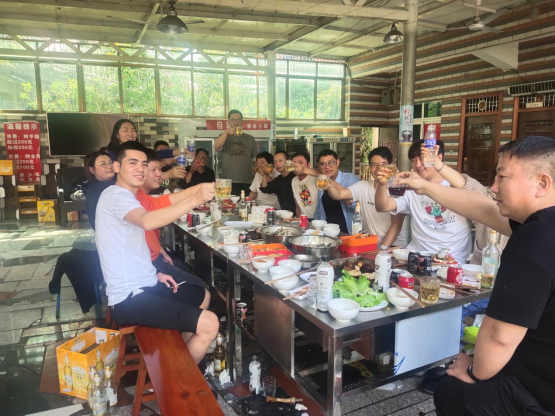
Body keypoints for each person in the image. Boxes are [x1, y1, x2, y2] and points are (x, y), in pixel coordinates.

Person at [395, 136, 555, 416]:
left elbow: (499, 336)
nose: (493, 187)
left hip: (538, 393)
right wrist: (424, 186)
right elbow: (483, 208)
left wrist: (473, 371)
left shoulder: (534, 240)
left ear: (542, 183)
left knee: (451, 390)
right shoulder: (544, 225)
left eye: (502, 177)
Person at [95, 141, 218, 364]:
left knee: (200, 296)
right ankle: (181, 377)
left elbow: (135, 243)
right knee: (210, 324)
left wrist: (154, 273)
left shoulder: (130, 197)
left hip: (147, 283)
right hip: (129, 299)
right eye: (133, 163)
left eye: (144, 164)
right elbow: (147, 221)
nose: (140, 169)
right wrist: (195, 199)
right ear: (116, 167)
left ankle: (181, 356)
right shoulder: (116, 195)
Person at [375, 140, 472, 265]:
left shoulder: (457, 185)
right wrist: (382, 185)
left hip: (451, 260)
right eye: (413, 160)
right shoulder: (412, 187)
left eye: (422, 159)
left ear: (438, 158)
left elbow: (464, 185)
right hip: (416, 258)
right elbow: (382, 206)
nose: (418, 165)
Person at [420, 144, 508, 265]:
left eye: (503, 177)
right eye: (497, 176)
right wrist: (437, 163)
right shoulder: (487, 196)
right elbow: (462, 183)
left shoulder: (529, 221)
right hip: (477, 275)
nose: (494, 187)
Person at [137, 148, 208, 290]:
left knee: (190, 271)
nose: (159, 174)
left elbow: (149, 237)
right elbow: (156, 206)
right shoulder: (137, 196)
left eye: (160, 169)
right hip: (150, 264)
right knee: (201, 288)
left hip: (155, 257)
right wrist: (197, 194)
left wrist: (162, 251)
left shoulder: (140, 194)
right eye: (154, 170)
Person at [326, 147, 405, 246]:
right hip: (369, 244)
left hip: (393, 246)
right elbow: (338, 195)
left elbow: (396, 226)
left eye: (383, 164)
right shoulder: (362, 186)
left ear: (390, 166)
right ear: (370, 167)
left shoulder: (396, 190)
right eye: (374, 165)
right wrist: (328, 183)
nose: (379, 169)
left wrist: (382, 249)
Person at [299, 149, 359, 234]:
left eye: (331, 162)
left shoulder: (350, 179)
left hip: (347, 232)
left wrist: (332, 183)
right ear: (319, 167)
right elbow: (319, 210)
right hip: (327, 232)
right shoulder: (321, 181)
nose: (327, 167)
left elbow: (356, 206)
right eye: (322, 164)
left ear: (338, 162)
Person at [214, 110, 256, 196]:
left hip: (246, 181)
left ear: (242, 121)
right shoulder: (224, 136)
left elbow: (255, 160)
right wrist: (226, 132)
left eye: (239, 119)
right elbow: (216, 147)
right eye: (233, 119)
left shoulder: (250, 138)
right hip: (227, 181)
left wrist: (256, 179)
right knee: (227, 203)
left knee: (245, 203)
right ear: (228, 122)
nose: (236, 122)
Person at [84, 150, 115, 230]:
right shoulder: (105, 187)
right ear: (92, 170)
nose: (109, 166)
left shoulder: (96, 184)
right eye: (103, 164)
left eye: (110, 162)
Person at [291, 151, 318, 219]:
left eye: (300, 162)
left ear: (309, 165)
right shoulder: (294, 180)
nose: (296, 165)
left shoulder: (316, 178)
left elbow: (324, 173)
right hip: (304, 220)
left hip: (318, 220)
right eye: (294, 163)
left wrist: (303, 169)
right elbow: (298, 205)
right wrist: (298, 220)